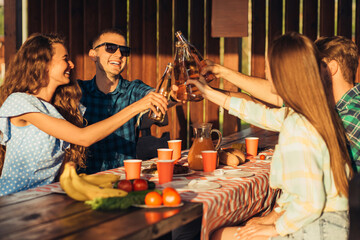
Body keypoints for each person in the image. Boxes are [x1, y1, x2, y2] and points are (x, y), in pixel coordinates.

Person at [188, 32, 354, 239]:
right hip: (335, 223)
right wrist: (207, 92)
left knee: (218, 235)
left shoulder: (298, 125)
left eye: (269, 66)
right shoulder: (319, 113)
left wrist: (277, 227)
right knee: (232, 230)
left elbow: (310, 201)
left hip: (318, 229)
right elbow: (263, 114)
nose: (265, 71)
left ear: (283, 73)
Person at [0, 33, 167, 196]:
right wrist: (135, 107)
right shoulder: (21, 102)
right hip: (14, 201)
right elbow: (83, 137)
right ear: (43, 63)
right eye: (65, 58)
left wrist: (172, 95)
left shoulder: (61, 107)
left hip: (47, 199)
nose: (71, 64)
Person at [200, 36, 360, 172]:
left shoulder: (353, 114)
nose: (308, 72)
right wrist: (216, 78)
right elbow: (268, 101)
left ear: (331, 68)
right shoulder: (329, 104)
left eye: (314, 65)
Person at [78, 28, 172, 174]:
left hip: (125, 178)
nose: (119, 54)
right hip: (86, 180)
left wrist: (174, 95)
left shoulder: (132, 89)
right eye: (110, 48)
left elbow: (155, 94)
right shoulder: (78, 91)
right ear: (93, 54)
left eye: (124, 50)